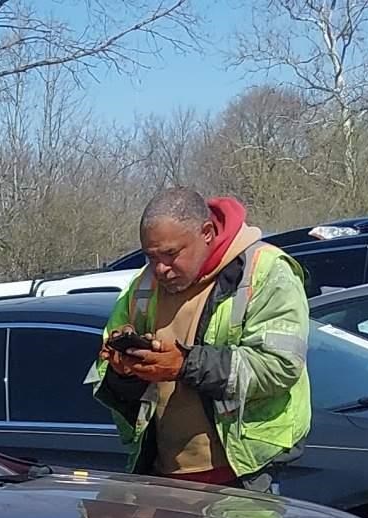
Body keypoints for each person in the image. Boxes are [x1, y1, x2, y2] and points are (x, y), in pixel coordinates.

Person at [88, 186, 311, 492]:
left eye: (170, 254)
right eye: (151, 257)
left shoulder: (266, 270)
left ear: (206, 232)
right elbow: (104, 370)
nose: (160, 268)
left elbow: (280, 366)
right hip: (161, 475)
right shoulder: (143, 285)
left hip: (247, 475)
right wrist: (124, 371)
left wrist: (184, 365)